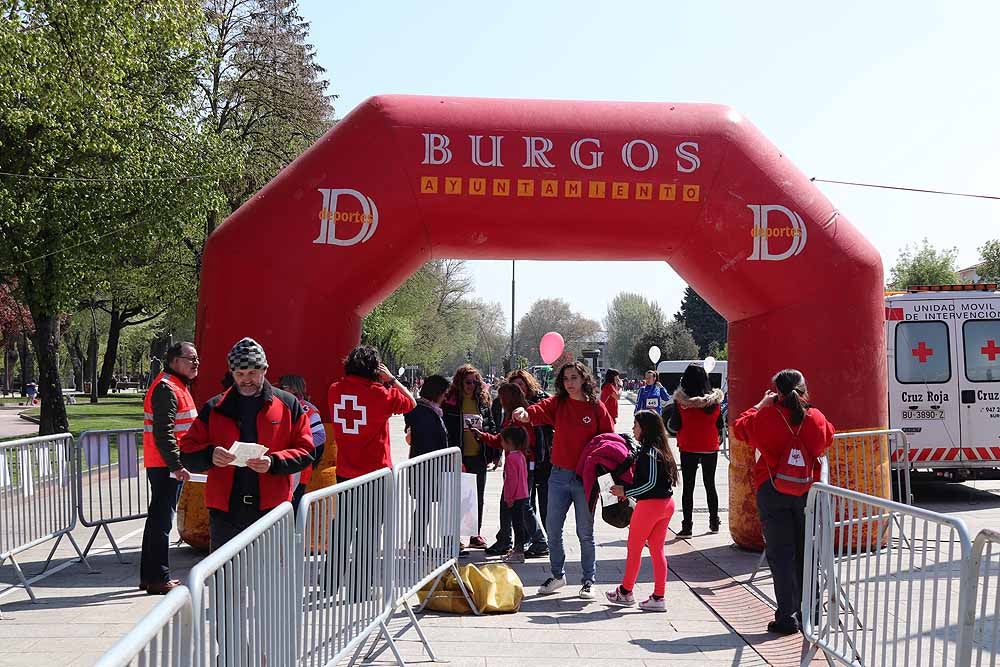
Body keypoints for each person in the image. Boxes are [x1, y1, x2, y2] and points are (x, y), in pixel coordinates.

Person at [179, 337, 315, 550]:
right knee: (226, 572)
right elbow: (187, 452)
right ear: (231, 373)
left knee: (269, 571)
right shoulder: (214, 407)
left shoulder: (288, 405)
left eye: (252, 373)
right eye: (240, 374)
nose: (246, 380)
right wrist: (209, 455)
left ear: (265, 370)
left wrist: (274, 462)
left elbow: (306, 451)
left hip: (272, 510)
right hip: (225, 515)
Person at [734, 369, 835, 635]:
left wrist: (761, 404)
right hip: (807, 492)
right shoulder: (816, 417)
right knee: (807, 551)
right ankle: (811, 612)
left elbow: (739, 427)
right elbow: (828, 438)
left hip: (772, 489)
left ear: (776, 392)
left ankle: (787, 616)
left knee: (781, 555)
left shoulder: (765, 416)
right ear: (804, 389)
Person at [514, 361, 614, 599]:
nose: (570, 383)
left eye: (574, 378)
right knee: (553, 529)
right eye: (566, 378)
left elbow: (610, 441)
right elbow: (537, 411)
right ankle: (557, 575)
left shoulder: (596, 407)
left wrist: (608, 483)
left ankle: (588, 580)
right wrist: (524, 413)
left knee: (585, 532)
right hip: (558, 476)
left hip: (585, 479)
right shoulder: (558, 403)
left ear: (584, 379)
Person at [139, 342, 198, 594]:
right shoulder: (167, 387)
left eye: (197, 358)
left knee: (157, 520)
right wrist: (176, 465)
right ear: (174, 361)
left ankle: (150, 576)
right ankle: (158, 578)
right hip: (166, 465)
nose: (196, 363)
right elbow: (164, 432)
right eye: (191, 358)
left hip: (166, 464)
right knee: (161, 522)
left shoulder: (177, 385)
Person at [605, 410, 679, 611]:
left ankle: (626, 591)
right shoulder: (658, 450)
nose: (633, 429)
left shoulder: (650, 453)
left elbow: (650, 484)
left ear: (645, 428)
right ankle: (658, 596)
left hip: (651, 506)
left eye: (636, 425)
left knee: (634, 548)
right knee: (657, 550)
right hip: (665, 504)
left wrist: (626, 491)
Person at [472, 383, 548, 558]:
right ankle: (517, 541)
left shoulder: (518, 416)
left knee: (520, 504)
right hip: (521, 463)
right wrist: (483, 436)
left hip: (521, 465)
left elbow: (510, 439)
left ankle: (536, 541)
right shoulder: (512, 416)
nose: (500, 400)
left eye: (502, 397)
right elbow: (502, 439)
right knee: (518, 505)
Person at [327, 345, 416, 482]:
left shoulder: (334, 390)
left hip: (344, 472)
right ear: (377, 369)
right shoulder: (380, 394)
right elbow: (411, 402)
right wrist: (391, 379)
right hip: (376, 473)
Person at [666, 364, 725, 538]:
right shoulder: (714, 402)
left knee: (688, 487)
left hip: (688, 446)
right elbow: (720, 425)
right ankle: (714, 522)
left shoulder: (681, 402)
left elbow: (675, 425)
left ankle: (687, 527)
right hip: (710, 446)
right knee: (710, 485)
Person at [442, 365, 496, 548]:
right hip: (457, 456)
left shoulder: (483, 401)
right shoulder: (450, 402)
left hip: (479, 456)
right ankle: (452, 537)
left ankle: (475, 535)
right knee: (455, 497)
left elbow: (491, 425)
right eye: (467, 382)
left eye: (474, 382)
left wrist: (496, 453)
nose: (471, 385)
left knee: (477, 496)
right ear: (459, 382)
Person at [507, 369, 552, 538]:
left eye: (521, 384)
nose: (519, 388)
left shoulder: (542, 401)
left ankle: (549, 539)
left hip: (544, 458)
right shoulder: (510, 405)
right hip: (522, 461)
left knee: (546, 504)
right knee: (525, 502)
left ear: (528, 384)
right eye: (515, 386)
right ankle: (530, 538)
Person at [277, 375, 327, 510]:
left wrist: (298, 447)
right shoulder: (276, 405)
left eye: (282, 387)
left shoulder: (307, 409)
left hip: (298, 468)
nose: (278, 390)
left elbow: (320, 436)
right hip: (278, 466)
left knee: (293, 508)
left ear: (293, 389)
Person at [498, 426, 531, 563]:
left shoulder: (511, 458)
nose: (501, 443)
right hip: (522, 494)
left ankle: (518, 552)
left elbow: (511, 480)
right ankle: (518, 550)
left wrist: (509, 497)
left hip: (515, 496)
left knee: (517, 525)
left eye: (503, 441)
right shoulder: (521, 455)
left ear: (509, 442)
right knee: (519, 524)